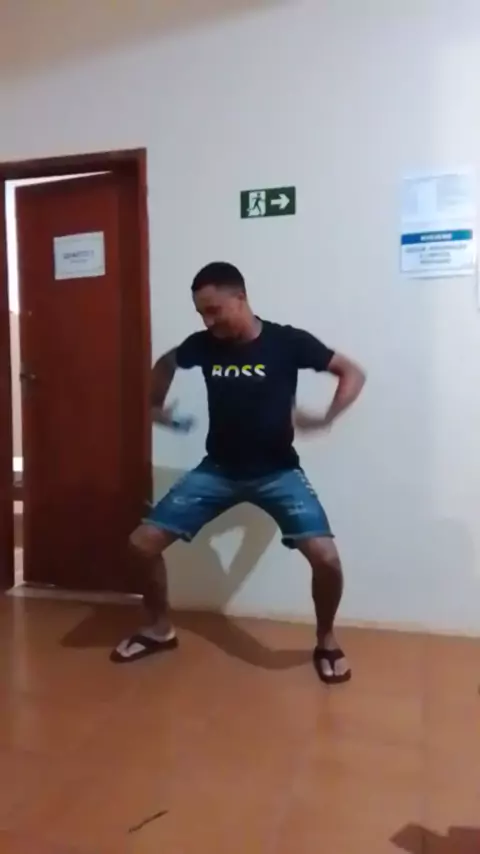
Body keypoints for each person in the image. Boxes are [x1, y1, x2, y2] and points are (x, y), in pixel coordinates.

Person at [111, 262, 366, 684]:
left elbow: (352, 372)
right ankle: (158, 629)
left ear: (241, 298)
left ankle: (326, 639)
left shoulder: (287, 342)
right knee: (142, 544)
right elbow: (167, 362)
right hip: (218, 470)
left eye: (214, 310)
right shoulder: (203, 345)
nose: (208, 323)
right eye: (201, 314)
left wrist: (326, 417)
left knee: (326, 559)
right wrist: (155, 406)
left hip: (278, 472)